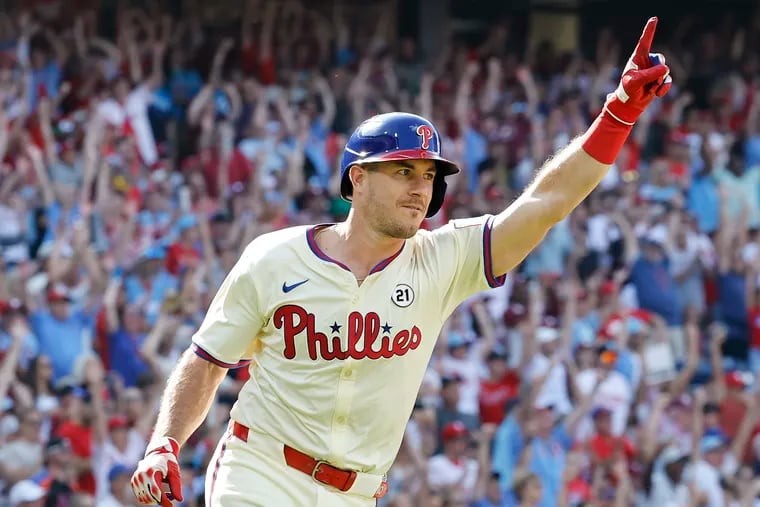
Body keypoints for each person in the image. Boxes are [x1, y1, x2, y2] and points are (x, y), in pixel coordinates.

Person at [130, 17, 671, 507]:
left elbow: (546, 204)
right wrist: (165, 444)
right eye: (403, 171)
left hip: (358, 492)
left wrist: (617, 113)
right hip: (261, 471)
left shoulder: (443, 258)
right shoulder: (274, 257)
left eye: (429, 175)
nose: (421, 187)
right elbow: (206, 362)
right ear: (357, 178)